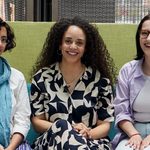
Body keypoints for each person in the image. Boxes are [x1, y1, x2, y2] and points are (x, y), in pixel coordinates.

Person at [30, 16, 116, 150]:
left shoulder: (100, 81)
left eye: (79, 43)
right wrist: (66, 128)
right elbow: (37, 121)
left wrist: (87, 133)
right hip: (51, 142)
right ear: (59, 44)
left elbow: (105, 124)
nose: (73, 47)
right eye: (68, 41)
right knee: (62, 126)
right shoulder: (42, 78)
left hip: (91, 141)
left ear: (86, 48)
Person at [112, 14, 150, 150]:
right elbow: (121, 111)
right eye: (145, 33)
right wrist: (134, 134)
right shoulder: (127, 70)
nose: (149, 38)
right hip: (132, 132)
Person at [0, 18, 31, 150]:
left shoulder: (17, 77)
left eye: (3, 39)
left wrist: (10, 148)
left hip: (13, 144)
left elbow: (22, 120)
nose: (0, 44)